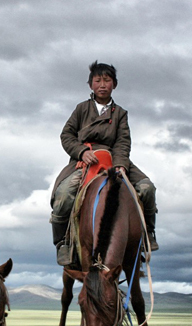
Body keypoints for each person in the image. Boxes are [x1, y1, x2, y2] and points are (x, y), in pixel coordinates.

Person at [50, 61, 158, 266]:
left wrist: (120, 164)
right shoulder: (81, 109)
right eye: (97, 80)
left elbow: (123, 141)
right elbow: (67, 135)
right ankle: (62, 243)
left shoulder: (120, 113)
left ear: (114, 85)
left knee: (147, 188)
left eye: (107, 80)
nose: (102, 84)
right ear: (90, 84)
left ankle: (148, 233)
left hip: (114, 159)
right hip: (85, 160)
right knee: (63, 195)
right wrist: (81, 152)